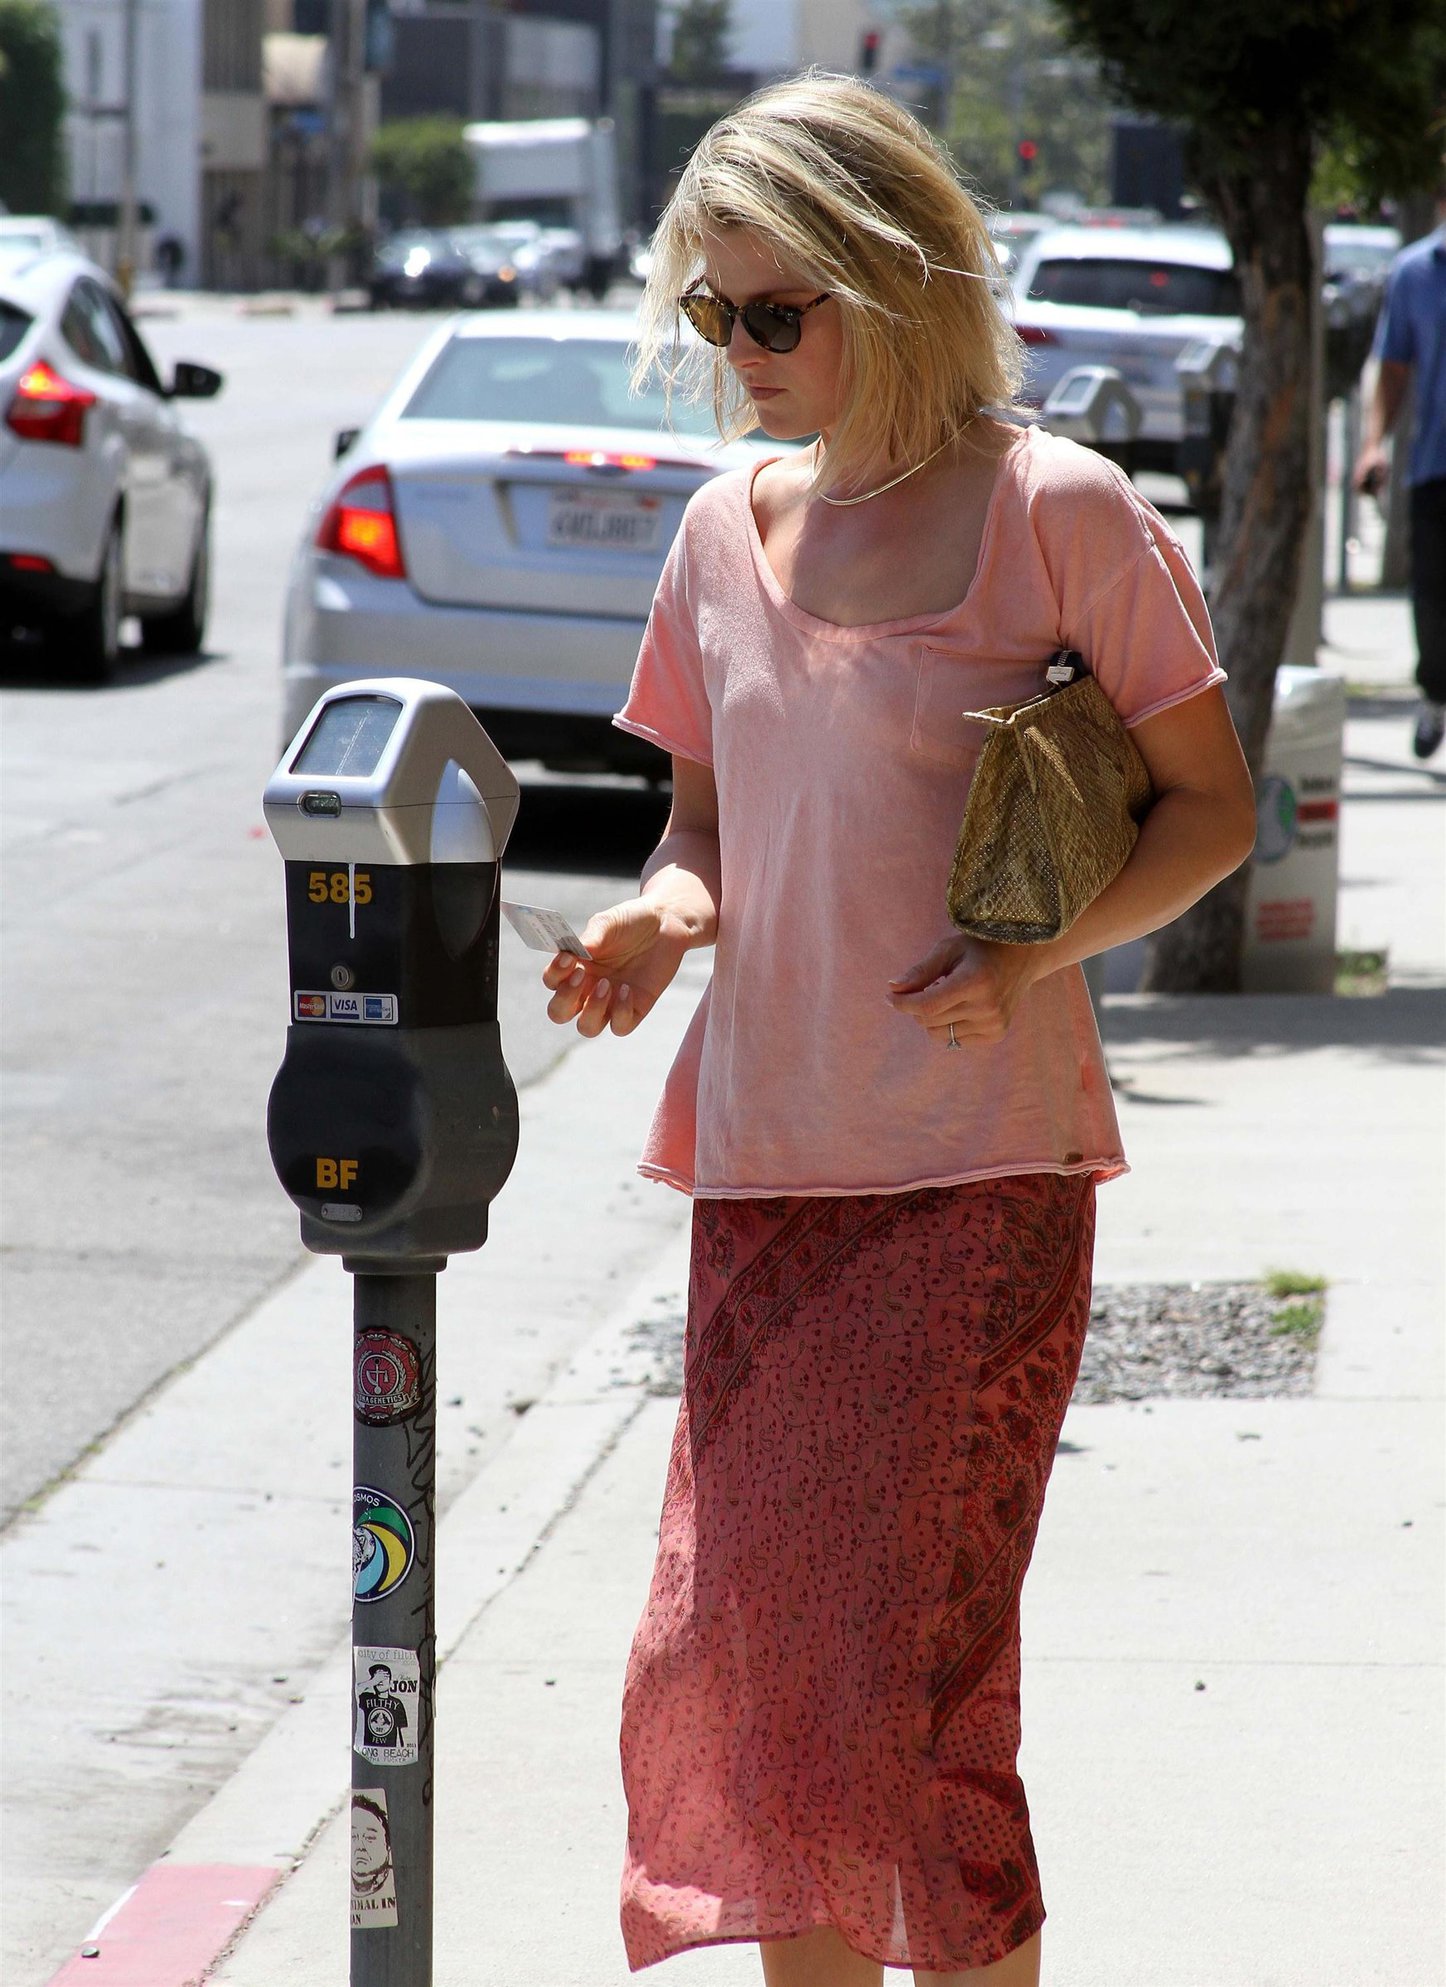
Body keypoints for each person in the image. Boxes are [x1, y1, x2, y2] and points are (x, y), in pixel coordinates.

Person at [541, 75, 1256, 1987]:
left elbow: (1212, 808)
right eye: (713, 313)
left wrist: (1035, 956)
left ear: (896, 284)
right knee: (757, 1664)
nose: (739, 353)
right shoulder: (717, 533)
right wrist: (658, 918)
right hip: (765, 1174)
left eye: (777, 312)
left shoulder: (1057, 510)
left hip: (974, 1176)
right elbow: (704, 818)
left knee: (914, 1686)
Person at [1352, 180, 1446, 760]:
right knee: (1433, 596)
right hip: (1436, 466)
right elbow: (1392, 368)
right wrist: (1372, 445)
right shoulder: (1415, 274)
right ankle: (1435, 696)